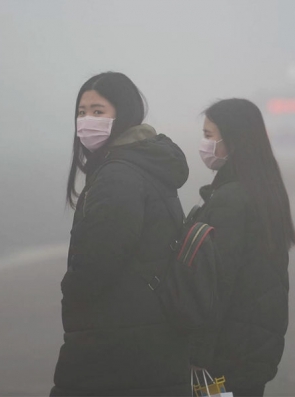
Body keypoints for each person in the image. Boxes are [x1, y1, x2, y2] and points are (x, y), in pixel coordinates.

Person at [51, 72, 191, 396]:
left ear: (123, 114)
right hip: (144, 338)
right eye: (82, 112)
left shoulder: (119, 175)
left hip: (114, 348)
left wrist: (71, 290)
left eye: (98, 111)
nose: (87, 120)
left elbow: (99, 262)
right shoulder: (141, 165)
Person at [189, 98, 295, 396]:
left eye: (210, 136)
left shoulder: (231, 200)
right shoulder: (263, 190)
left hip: (224, 358)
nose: (204, 144)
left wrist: (197, 355)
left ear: (235, 141)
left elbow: (215, 286)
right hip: (251, 350)